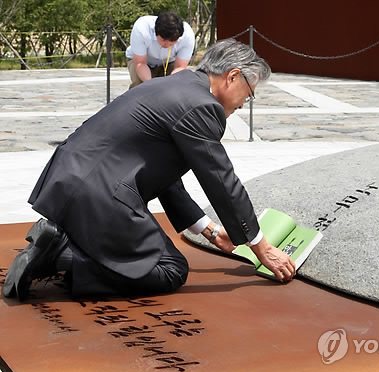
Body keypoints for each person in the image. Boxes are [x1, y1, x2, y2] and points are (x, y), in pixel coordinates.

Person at [3, 39, 296, 301]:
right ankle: (61, 254)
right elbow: (221, 180)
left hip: (71, 180)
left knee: (139, 261)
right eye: (250, 92)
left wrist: (209, 230)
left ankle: (60, 243)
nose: (245, 103)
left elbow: (163, 174)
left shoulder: (174, 85)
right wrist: (261, 246)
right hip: (100, 195)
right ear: (233, 77)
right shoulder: (204, 106)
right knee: (171, 270)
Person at [125, 11, 195, 89]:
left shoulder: (187, 35)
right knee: (140, 86)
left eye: (172, 42)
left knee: (177, 86)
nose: (167, 44)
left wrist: (169, 84)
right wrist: (152, 85)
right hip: (141, 61)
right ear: (156, 32)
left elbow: (180, 67)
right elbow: (140, 64)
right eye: (163, 40)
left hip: (170, 61)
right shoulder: (142, 28)